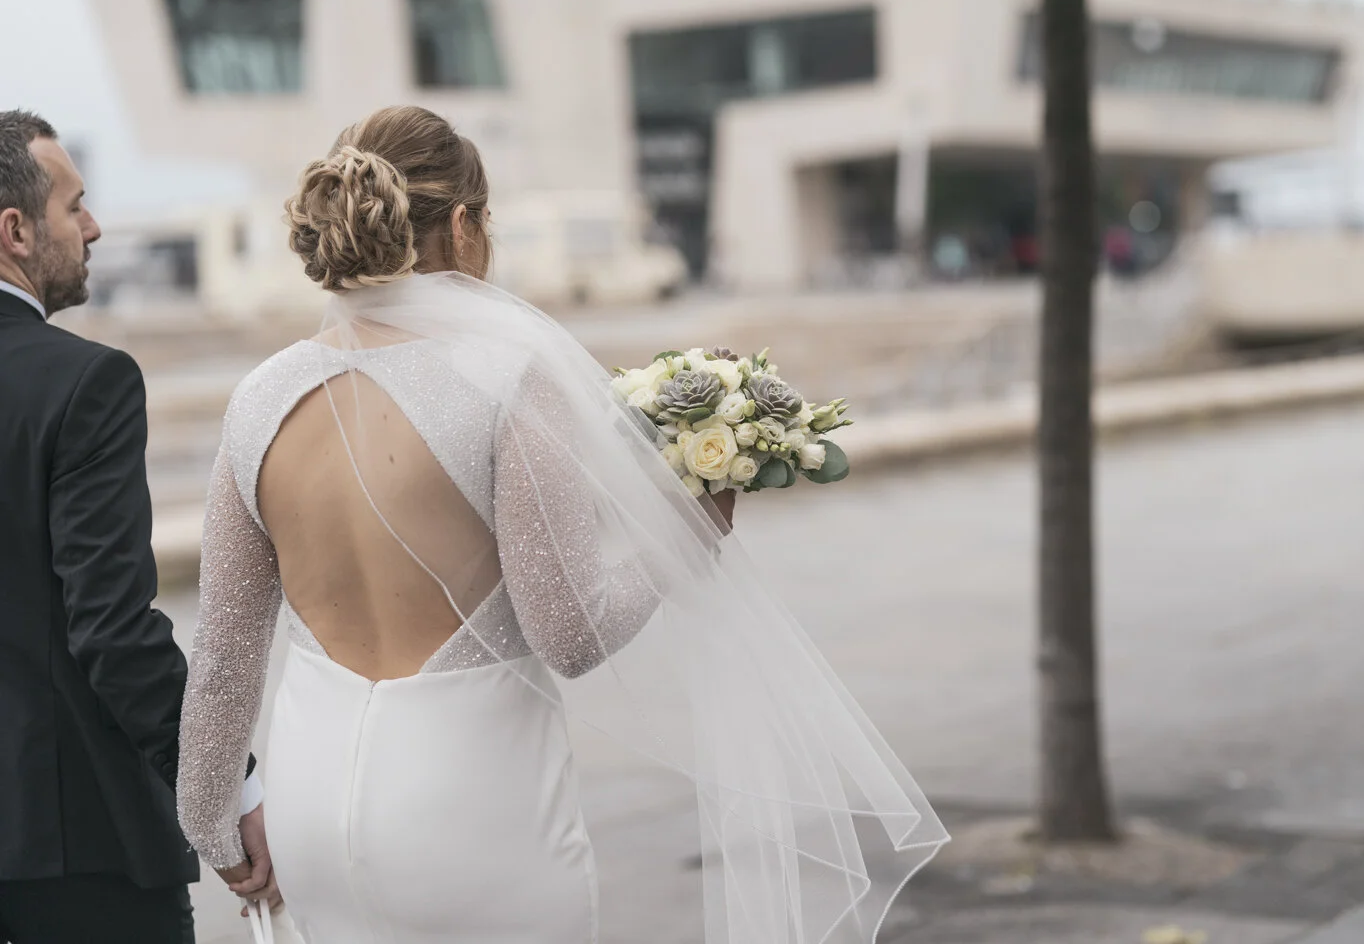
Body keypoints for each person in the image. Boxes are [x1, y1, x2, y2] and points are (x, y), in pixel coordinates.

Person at [178, 105, 947, 942]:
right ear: (465, 227)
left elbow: (221, 661)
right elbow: (571, 633)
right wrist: (690, 532)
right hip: (470, 810)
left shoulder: (260, 397)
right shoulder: (505, 378)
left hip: (309, 805)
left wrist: (215, 827)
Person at [0, 110, 264, 942]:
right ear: (13, 230)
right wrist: (228, 792)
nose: (93, 226)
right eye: (73, 206)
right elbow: (113, 633)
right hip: (70, 846)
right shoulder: (85, 384)